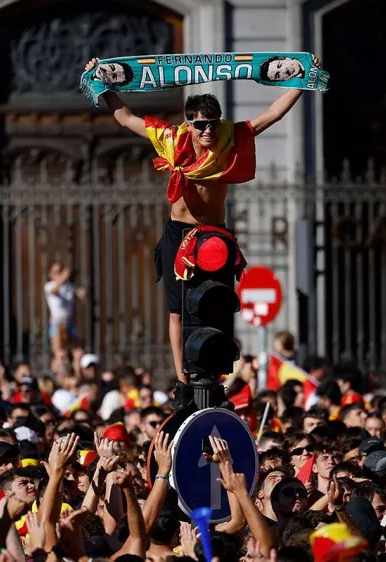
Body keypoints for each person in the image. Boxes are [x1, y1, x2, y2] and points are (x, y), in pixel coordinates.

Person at [85, 55, 322, 408]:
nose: (208, 130)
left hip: (214, 237)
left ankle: (218, 378)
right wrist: (100, 80)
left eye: (212, 123)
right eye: (201, 125)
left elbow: (272, 114)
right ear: (189, 125)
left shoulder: (229, 137)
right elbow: (125, 117)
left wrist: (303, 80)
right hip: (178, 233)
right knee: (177, 312)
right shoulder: (171, 138)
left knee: (220, 306)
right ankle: (182, 382)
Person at [44, 262, 86, 354]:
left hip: (69, 321)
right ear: (50, 274)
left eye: (61, 271)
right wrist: (63, 278)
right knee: (59, 352)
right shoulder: (49, 286)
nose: (59, 274)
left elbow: (79, 293)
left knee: (78, 351)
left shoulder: (69, 286)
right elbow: (53, 291)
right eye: (56, 272)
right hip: (57, 323)